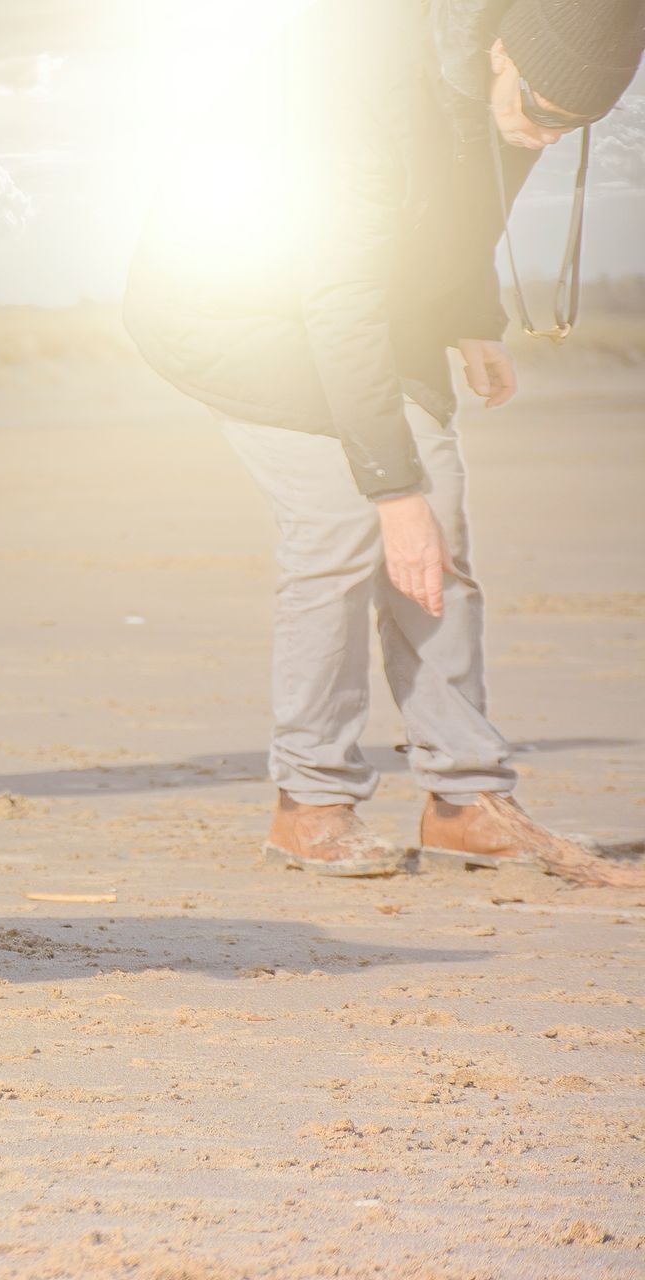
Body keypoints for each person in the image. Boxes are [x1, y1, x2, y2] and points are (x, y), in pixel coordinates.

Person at [124, 0, 645, 876]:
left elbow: (460, 212)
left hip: (367, 303)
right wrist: (391, 493)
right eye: (547, 112)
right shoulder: (359, 90)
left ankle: (466, 797)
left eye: (577, 126)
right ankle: (312, 802)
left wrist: (476, 317)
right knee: (345, 521)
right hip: (233, 310)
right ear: (501, 51)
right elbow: (341, 301)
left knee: (443, 522)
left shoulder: (510, 93)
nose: (551, 138)